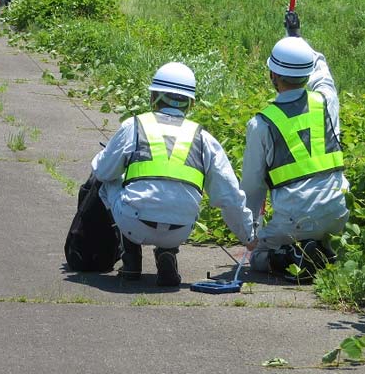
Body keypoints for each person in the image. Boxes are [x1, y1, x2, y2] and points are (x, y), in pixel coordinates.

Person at [91, 62, 254, 286]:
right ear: (191, 103)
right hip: (180, 229)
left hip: (133, 225)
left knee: (109, 182)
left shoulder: (134, 126)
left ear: (153, 97)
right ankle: (167, 252)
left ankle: (131, 259)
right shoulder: (203, 138)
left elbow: (102, 171)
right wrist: (248, 237)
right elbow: (230, 196)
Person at [241, 13, 349, 282]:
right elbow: (321, 69)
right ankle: (321, 249)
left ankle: (293, 257)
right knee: (316, 227)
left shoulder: (261, 123)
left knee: (258, 260)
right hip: (338, 211)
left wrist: (253, 234)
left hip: (293, 220)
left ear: (273, 74)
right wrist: (296, 35)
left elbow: (253, 188)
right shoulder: (326, 101)